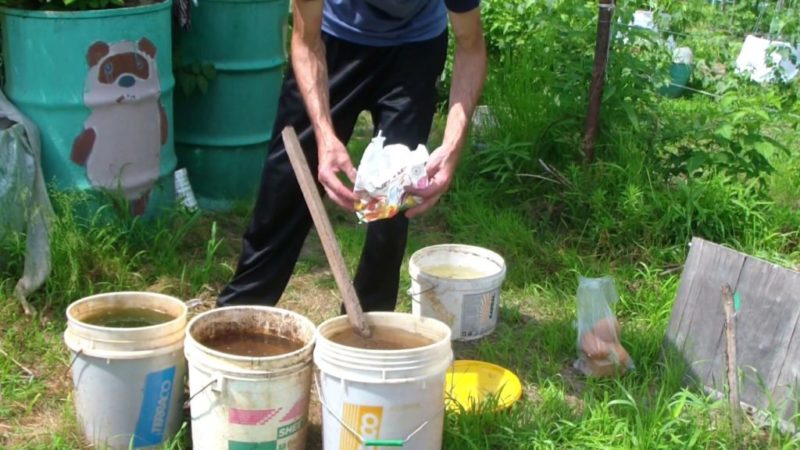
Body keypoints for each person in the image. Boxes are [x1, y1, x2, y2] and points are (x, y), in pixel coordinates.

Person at [217, 0, 487, 312]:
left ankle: (366, 335)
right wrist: (324, 135)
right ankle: (236, 319)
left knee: (396, 196)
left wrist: (452, 144)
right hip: (332, 41)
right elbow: (306, 41)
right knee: (288, 186)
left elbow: (470, 46)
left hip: (416, 48)